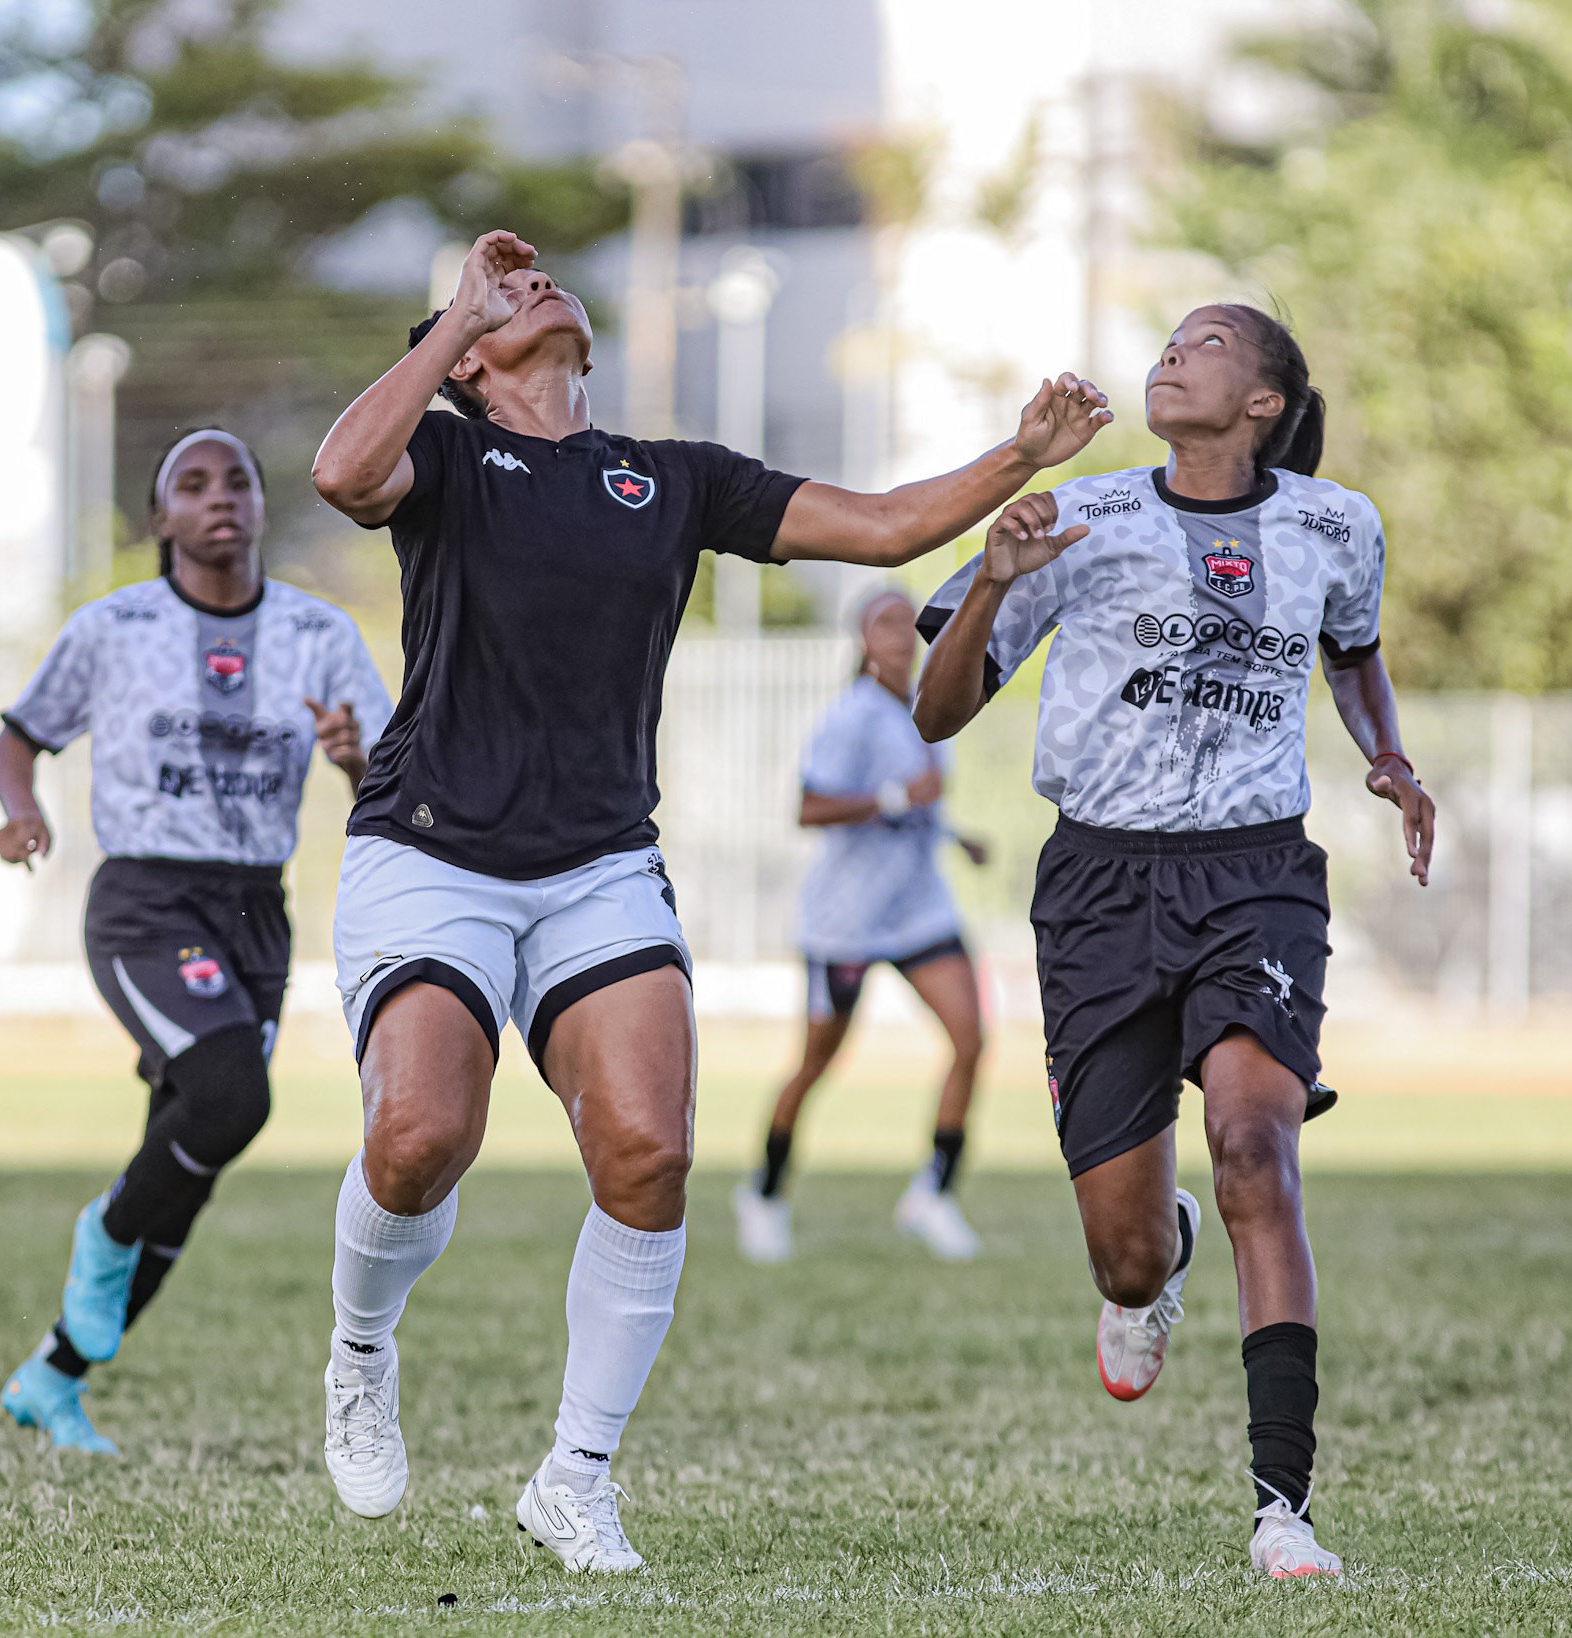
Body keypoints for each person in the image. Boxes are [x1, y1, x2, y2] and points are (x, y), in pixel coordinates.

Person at [307, 228, 1110, 1573]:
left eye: (539, 283)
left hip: (599, 863)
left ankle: (575, 1474)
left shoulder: (668, 479)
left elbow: (886, 525)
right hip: (432, 854)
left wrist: (1022, 453)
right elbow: (340, 472)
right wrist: (454, 315)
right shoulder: (443, 454)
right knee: (419, 1137)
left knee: (651, 1153)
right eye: (505, 299)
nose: (537, 282)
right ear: (465, 366)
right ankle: (360, 1347)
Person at [913, 305, 1435, 1580]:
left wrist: (1388, 756)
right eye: (1171, 341)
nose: (1171, 354)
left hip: (1255, 875)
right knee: (1125, 1251)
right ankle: (1157, 1263)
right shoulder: (1073, 519)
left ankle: (1281, 1511)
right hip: (1095, 885)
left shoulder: (1333, 523)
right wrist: (990, 575)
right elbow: (930, 710)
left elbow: (1352, 655)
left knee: (1255, 1145)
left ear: (1263, 402)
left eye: (1207, 344)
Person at [0, 428, 392, 1454]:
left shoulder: (317, 635)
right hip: (145, 903)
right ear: (162, 518)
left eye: (240, 481)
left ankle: (53, 1377)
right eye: (193, 484)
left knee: (195, 1155)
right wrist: (20, 810)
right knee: (228, 1097)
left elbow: (390, 784)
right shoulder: (114, 627)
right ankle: (105, 1235)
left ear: (261, 506)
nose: (221, 498)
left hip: (257, 910)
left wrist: (353, 762)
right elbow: (19, 735)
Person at [733, 587, 989, 1265]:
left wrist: (955, 837)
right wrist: (894, 797)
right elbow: (808, 808)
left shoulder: (929, 705)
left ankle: (933, 1192)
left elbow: (922, 804)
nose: (902, 632)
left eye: (909, 620)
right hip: (846, 920)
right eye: (885, 621)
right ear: (863, 639)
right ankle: (763, 1192)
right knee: (818, 1061)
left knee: (971, 1038)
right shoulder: (851, 716)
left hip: (918, 909)